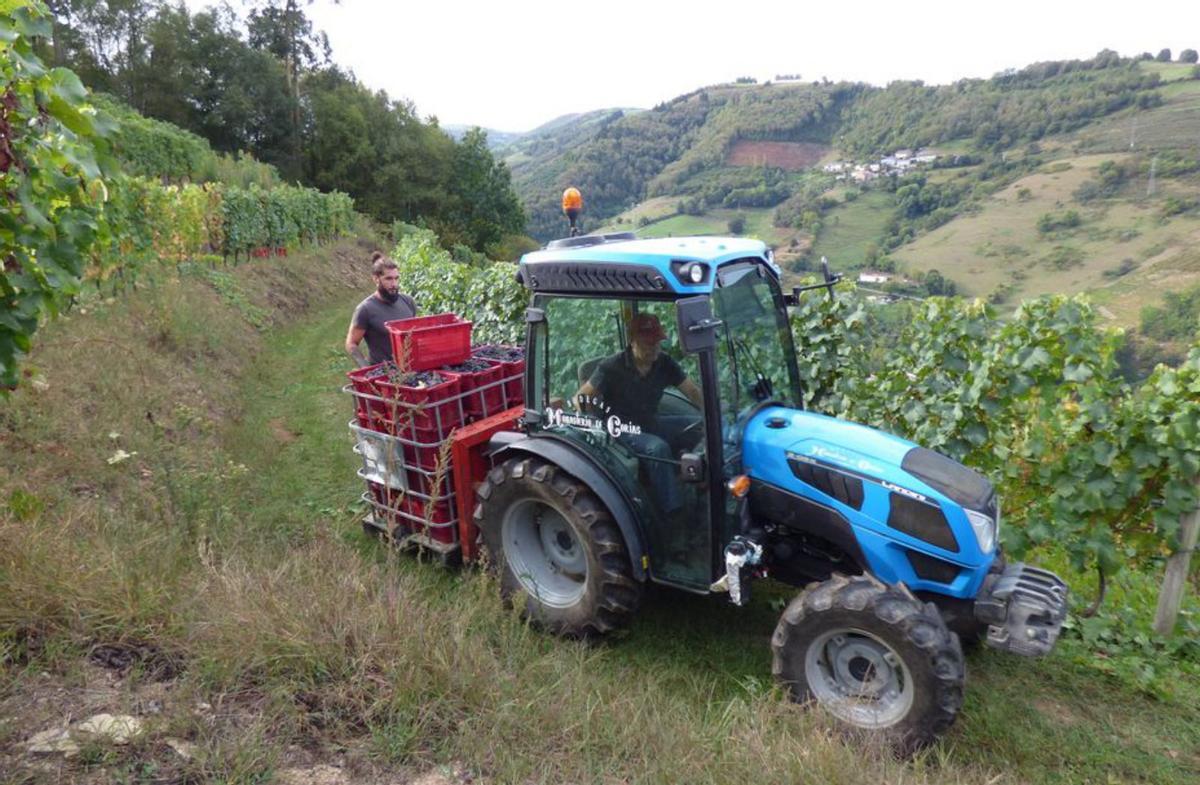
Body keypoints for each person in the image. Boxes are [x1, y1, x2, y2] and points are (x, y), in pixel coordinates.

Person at [574, 313, 703, 512]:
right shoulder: (611, 367)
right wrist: (593, 425)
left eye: (657, 342)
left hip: (650, 422)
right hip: (622, 430)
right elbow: (581, 397)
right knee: (657, 448)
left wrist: (714, 412)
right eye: (648, 343)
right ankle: (673, 510)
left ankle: (697, 479)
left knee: (700, 424)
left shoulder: (664, 363)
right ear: (632, 341)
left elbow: (692, 391)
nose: (654, 349)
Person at [345, 252, 417, 367]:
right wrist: (366, 368)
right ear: (376, 279)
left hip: (411, 368)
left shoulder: (408, 302)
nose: (394, 284)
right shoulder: (365, 309)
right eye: (388, 279)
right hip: (384, 372)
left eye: (396, 278)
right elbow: (351, 343)